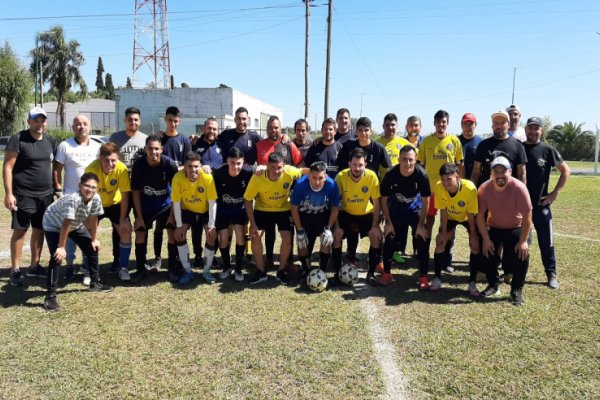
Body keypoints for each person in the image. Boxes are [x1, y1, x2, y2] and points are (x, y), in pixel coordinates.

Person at [42, 173, 112, 312]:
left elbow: (93, 218)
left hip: (75, 224)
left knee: (92, 248)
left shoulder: (96, 198)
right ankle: (50, 296)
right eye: (87, 186)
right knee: (57, 257)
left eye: (93, 187)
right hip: (53, 224)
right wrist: (61, 247)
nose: (90, 189)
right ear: (80, 186)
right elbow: (66, 224)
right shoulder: (74, 199)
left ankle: (95, 283)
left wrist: (93, 239)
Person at [3, 107, 55, 287]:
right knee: (20, 231)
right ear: (29, 122)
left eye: (42, 120)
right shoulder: (18, 139)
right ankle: (15, 270)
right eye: (36, 120)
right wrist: (9, 193)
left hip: (46, 196)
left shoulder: (49, 140)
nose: (39, 124)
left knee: (40, 229)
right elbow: (8, 167)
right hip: (23, 195)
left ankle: (35, 265)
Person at [476, 156, 532, 306]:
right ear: (491, 173)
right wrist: (486, 239)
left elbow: (527, 216)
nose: (500, 175)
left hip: (516, 226)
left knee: (522, 253)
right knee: (487, 250)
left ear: (510, 172)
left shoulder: (519, 188)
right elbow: (480, 216)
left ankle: (516, 290)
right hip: (494, 226)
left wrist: (523, 241)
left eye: (503, 171)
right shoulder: (484, 188)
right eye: (496, 171)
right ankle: (493, 285)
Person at [244, 152, 305, 285]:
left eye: (279, 167)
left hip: (283, 209)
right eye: (272, 167)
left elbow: (305, 171)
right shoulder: (258, 177)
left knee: (287, 237)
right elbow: (247, 200)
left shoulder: (290, 172)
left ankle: (281, 271)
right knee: (255, 236)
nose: (276, 171)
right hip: (263, 209)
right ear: (267, 166)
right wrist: (253, 224)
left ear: (284, 166)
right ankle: (260, 271)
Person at [523, 116, 570, 289]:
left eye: (536, 128)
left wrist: (554, 194)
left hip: (541, 205)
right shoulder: (518, 148)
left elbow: (566, 171)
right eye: (530, 128)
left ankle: (551, 273)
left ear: (541, 131)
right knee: (520, 241)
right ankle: (516, 272)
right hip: (521, 206)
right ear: (525, 129)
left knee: (546, 241)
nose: (533, 131)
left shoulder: (548, 150)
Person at [53, 114, 101, 282]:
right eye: (78, 124)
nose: (81, 127)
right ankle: (70, 265)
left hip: (90, 199)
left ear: (90, 126)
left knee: (88, 233)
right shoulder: (65, 146)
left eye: (85, 124)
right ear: (72, 127)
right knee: (70, 232)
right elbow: (57, 170)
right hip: (70, 197)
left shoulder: (96, 147)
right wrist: (58, 190)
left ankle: (87, 267)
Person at [417, 110, 464, 271]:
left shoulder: (454, 141)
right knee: (428, 223)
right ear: (434, 123)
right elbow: (420, 166)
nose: (441, 124)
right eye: (438, 121)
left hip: (449, 190)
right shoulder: (426, 142)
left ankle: (446, 258)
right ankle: (424, 256)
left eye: (444, 122)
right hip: (430, 190)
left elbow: (460, 165)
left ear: (447, 123)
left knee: (449, 225)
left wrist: (461, 185)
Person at [130, 135, 179, 283]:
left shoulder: (169, 164)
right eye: (150, 149)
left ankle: (171, 267)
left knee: (170, 231)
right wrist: (138, 216)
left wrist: (172, 216)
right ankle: (140, 269)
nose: (153, 152)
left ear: (162, 149)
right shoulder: (138, 165)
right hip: (145, 206)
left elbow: (177, 191)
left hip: (165, 205)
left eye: (157, 149)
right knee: (140, 233)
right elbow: (136, 192)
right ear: (145, 149)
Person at [380, 145, 431, 287]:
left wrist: (421, 225)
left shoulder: (422, 175)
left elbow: (426, 199)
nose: (407, 163)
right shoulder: (390, 174)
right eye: (404, 160)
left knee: (423, 238)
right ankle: (387, 273)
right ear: (398, 160)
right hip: (396, 210)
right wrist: (388, 222)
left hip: (414, 210)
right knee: (390, 237)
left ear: (415, 160)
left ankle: (423, 276)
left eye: (410, 160)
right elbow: (383, 198)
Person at [332, 148, 383, 284]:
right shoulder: (341, 177)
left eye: (360, 165)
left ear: (365, 164)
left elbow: (377, 203)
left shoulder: (372, 176)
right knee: (336, 237)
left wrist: (375, 226)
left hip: (366, 214)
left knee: (376, 237)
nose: (357, 168)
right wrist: (336, 226)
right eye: (354, 164)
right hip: (346, 213)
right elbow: (335, 203)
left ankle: (371, 273)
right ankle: (337, 273)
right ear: (349, 164)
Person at [84, 142, 134, 281]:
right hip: (96, 204)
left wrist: (124, 218)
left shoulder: (122, 169)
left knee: (125, 231)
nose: (110, 164)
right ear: (100, 158)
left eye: (113, 160)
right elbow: (88, 196)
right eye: (106, 160)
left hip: (115, 204)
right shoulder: (91, 170)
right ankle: (89, 270)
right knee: (88, 233)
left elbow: (125, 196)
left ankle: (123, 268)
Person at [432, 163, 481, 295]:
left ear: (457, 177)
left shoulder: (469, 188)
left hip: (467, 217)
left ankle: (472, 282)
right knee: (440, 242)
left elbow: (471, 215)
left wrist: (473, 235)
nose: (445, 183)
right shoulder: (438, 186)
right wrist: (443, 232)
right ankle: (437, 278)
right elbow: (443, 210)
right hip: (450, 216)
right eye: (443, 179)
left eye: (449, 179)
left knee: (475, 246)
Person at [171, 152, 218, 285]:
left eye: (196, 166)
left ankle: (206, 271)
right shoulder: (178, 178)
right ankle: (187, 271)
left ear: (201, 166)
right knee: (179, 235)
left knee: (211, 236)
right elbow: (176, 203)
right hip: (187, 211)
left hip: (204, 211)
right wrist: (179, 226)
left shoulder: (207, 177)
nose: (193, 170)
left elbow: (212, 203)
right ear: (184, 167)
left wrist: (211, 225)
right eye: (190, 166)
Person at [291, 161, 340, 277]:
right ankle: (307, 270)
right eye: (314, 177)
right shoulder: (300, 184)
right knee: (302, 244)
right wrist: (299, 230)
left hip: (323, 216)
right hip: (305, 216)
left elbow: (334, 209)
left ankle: (321, 271)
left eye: (320, 178)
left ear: (326, 176)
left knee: (325, 240)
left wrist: (328, 228)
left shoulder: (332, 185)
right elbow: (294, 209)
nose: (317, 182)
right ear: (308, 176)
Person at [214, 147, 255, 282]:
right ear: (227, 161)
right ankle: (227, 267)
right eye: (232, 163)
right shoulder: (219, 173)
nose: (235, 166)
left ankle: (238, 268)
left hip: (239, 208)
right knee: (224, 238)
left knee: (239, 232)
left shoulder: (249, 171)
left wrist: (260, 168)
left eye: (239, 163)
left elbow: (263, 170)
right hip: (223, 208)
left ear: (243, 162)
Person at [471, 110, 527, 187]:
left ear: (509, 125)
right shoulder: (483, 145)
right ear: (492, 125)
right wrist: (473, 192)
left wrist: (522, 193)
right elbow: (476, 172)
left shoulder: (518, 145)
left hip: (510, 193)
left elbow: (522, 173)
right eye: (496, 123)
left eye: (503, 122)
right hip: (487, 193)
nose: (499, 126)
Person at [109, 106, 148, 171]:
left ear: (140, 121)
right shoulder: (115, 138)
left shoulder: (146, 139)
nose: (133, 122)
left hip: (140, 177)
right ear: (125, 121)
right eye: (130, 119)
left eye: (136, 120)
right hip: (121, 176)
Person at [458, 112, 482, 181]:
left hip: (476, 182)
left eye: (471, 124)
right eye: (465, 124)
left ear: (475, 125)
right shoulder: (455, 141)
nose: (468, 127)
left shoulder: (481, 142)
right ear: (461, 125)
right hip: (459, 182)